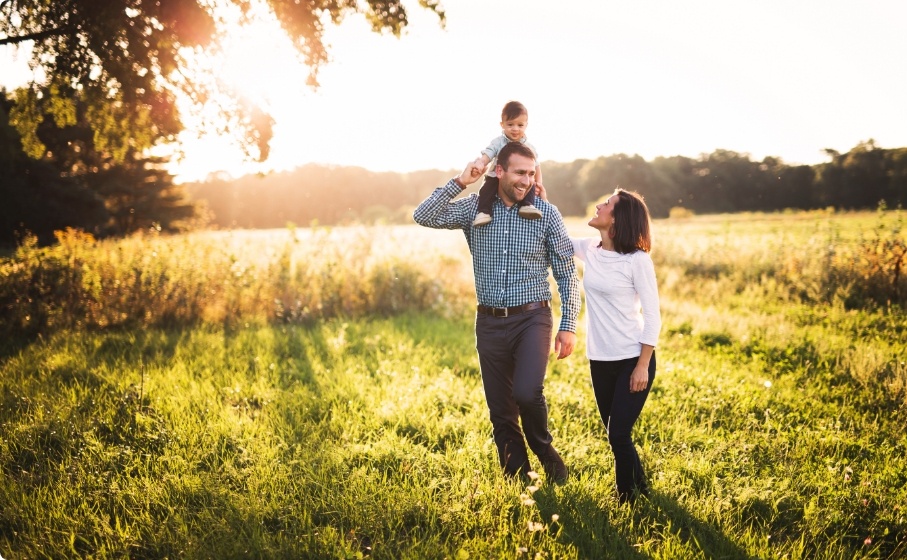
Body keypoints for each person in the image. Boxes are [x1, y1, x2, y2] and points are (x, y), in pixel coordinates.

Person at [413, 141, 580, 482]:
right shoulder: (475, 208)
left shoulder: (546, 213)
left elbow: (566, 272)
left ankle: (545, 452)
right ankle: (518, 479)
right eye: (520, 172)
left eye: (531, 174)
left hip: (533, 317)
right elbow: (423, 215)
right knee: (501, 409)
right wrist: (461, 181)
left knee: (526, 393)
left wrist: (569, 324)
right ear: (499, 171)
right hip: (488, 321)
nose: (527, 180)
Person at [570, 188, 662, 505]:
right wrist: (537, 195)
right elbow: (552, 237)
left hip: (632, 358)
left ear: (617, 218)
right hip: (600, 359)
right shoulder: (590, 249)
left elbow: (652, 317)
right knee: (615, 434)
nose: (598, 205)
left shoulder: (638, 261)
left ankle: (627, 500)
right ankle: (642, 490)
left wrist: (641, 365)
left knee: (618, 434)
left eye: (606, 204)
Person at [471, 101, 543, 227]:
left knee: (528, 185)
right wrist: (481, 163)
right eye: (510, 124)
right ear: (502, 124)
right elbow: (488, 153)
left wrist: (538, 182)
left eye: (520, 125)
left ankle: (527, 205)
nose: (515, 129)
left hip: (520, 179)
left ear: (526, 125)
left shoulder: (529, 147)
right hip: (496, 176)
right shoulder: (498, 142)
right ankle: (484, 212)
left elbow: (536, 166)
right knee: (486, 190)